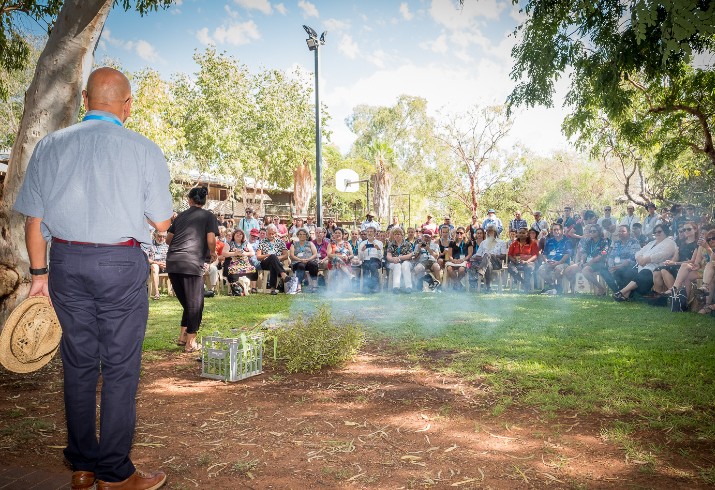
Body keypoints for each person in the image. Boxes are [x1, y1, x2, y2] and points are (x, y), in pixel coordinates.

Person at [14, 67, 172, 489]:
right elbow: (160, 221)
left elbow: (34, 221)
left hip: (64, 261)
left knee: (79, 364)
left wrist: (38, 276)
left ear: (85, 100)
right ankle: (115, 473)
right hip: (120, 264)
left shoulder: (50, 146)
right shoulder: (144, 149)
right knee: (120, 368)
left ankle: (83, 466)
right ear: (128, 106)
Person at [167, 187, 219, 352]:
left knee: (189, 303)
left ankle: (183, 336)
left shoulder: (181, 216)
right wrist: (212, 252)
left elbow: (168, 239)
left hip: (173, 261)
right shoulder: (208, 216)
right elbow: (211, 239)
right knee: (196, 303)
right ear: (204, 201)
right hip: (191, 262)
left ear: (189, 200)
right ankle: (191, 343)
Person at [613, 224, 677, 301]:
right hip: (641, 265)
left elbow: (663, 254)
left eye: (659, 231)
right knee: (622, 272)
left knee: (644, 273)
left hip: (654, 268)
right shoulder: (652, 243)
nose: (656, 233)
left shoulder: (670, 242)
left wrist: (647, 259)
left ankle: (622, 292)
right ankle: (626, 295)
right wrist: (640, 259)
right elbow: (638, 252)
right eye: (655, 232)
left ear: (665, 231)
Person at [537, 223, 572, 294]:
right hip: (550, 262)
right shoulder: (549, 241)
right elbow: (544, 254)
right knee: (541, 269)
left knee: (558, 269)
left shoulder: (567, 241)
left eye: (557, 229)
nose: (556, 231)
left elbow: (567, 255)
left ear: (562, 231)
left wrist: (558, 263)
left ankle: (558, 286)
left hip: (563, 263)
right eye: (554, 230)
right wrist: (546, 261)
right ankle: (553, 286)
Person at [256, 224, 290, 295]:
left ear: (276, 233)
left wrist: (276, 258)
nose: (271, 235)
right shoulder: (262, 242)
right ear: (266, 233)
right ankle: (283, 274)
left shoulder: (280, 242)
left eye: (273, 233)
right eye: (269, 233)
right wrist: (268, 255)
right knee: (272, 257)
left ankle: (272, 289)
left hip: (276, 263)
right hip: (265, 263)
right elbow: (258, 257)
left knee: (273, 263)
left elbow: (286, 255)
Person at [471, 224, 507, 292]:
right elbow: (478, 255)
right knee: (488, 264)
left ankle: (480, 272)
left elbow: (504, 256)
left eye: (491, 231)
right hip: (486, 263)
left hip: (497, 263)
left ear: (495, 233)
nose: (489, 233)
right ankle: (488, 287)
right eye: (488, 232)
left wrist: (493, 256)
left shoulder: (501, 242)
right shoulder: (483, 243)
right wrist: (486, 258)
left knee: (488, 255)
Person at [222, 229, 257, 296]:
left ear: (243, 236)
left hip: (244, 261)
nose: (238, 235)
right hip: (232, 261)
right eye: (237, 233)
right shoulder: (229, 243)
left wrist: (244, 253)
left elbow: (252, 253)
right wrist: (234, 253)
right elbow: (224, 253)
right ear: (233, 235)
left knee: (253, 268)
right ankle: (234, 288)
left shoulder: (246, 243)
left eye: (240, 234)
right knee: (231, 269)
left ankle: (253, 288)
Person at [507, 227, 539, 292]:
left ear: (527, 234)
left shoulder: (533, 243)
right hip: (516, 262)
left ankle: (526, 288)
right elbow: (509, 255)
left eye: (523, 233)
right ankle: (524, 282)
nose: (521, 234)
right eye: (520, 233)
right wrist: (514, 260)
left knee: (529, 267)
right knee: (510, 267)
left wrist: (527, 261)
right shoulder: (514, 244)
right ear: (517, 234)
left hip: (529, 262)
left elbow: (535, 255)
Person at [289, 228, 319, 292]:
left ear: (306, 235)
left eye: (303, 234)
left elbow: (315, 254)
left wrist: (308, 259)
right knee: (301, 265)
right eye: (300, 234)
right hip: (297, 262)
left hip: (309, 261)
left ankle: (314, 284)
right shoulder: (294, 244)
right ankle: (299, 285)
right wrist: (300, 260)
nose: (302, 235)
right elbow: (292, 255)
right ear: (297, 235)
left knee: (313, 264)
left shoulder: (310, 243)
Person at [386, 227, 415, 293]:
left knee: (405, 265)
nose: (397, 236)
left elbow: (410, 255)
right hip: (394, 263)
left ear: (402, 235)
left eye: (399, 234)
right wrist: (393, 260)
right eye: (395, 234)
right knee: (397, 265)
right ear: (393, 236)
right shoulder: (391, 244)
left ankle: (408, 287)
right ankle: (396, 287)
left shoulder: (407, 244)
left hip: (406, 262)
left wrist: (399, 258)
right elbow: (388, 256)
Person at [359, 225, 383, 293]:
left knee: (373, 265)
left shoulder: (379, 243)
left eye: (371, 231)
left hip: (376, 261)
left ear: (375, 233)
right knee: (366, 266)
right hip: (366, 260)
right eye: (368, 231)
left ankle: (375, 286)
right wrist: (362, 251)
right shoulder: (362, 243)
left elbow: (381, 257)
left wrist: (378, 249)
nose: (369, 233)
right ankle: (366, 287)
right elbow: (360, 258)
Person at [147, 230, 169, 300]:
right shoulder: (149, 244)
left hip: (166, 266)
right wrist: (157, 263)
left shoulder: (167, 245)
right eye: (159, 236)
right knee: (155, 266)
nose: (162, 238)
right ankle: (157, 292)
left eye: (164, 237)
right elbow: (146, 258)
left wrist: (168, 263)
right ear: (155, 235)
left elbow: (172, 257)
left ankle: (176, 291)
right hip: (153, 266)